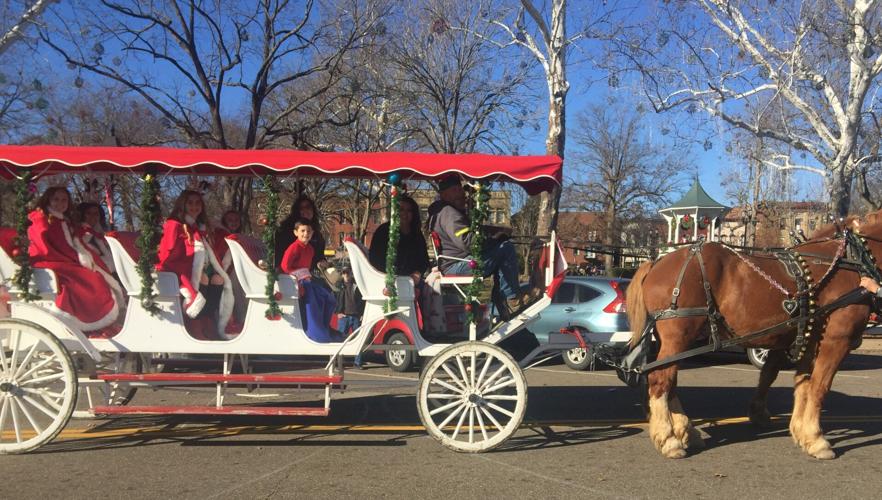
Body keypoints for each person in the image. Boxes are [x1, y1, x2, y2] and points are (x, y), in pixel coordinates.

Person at [427, 175, 536, 317]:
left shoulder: (444, 211)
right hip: (457, 265)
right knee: (506, 248)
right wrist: (495, 238)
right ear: (444, 194)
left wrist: (496, 232)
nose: (461, 194)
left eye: (460, 190)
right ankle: (510, 299)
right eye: (455, 190)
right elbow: (468, 242)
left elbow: (473, 231)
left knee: (501, 249)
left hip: (454, 263)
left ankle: (502, 296)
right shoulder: (449, 213)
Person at [28, 187, 124, 334]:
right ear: (48, 200)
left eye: (64, 200)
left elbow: (69, 242)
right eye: (56, 199)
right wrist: (78, 257)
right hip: (51, 261)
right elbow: (50, 246)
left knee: (95, 276)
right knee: (91, 279)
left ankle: (98, 320)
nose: (60, 203)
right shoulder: (43, 219)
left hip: (64, 260)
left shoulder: (62, 220)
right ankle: (87, 320)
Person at [156, 190, 237, 340]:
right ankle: (195, 325)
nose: (194, 206)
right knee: (203, 278)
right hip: (180, 269)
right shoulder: (175, 224)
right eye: (190, 203)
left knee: (219, 279)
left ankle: (208, 321)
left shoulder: (199, 227)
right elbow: (170, 253)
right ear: (183, 205)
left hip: (200, 267)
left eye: (198, 203)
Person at [281, 218, 338, 343]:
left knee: (329, 299)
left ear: (312, 233)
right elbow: (285, 266)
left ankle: (324, 328)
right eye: (302, 231)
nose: (305, 233)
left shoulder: (310, 249)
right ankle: (315, 333)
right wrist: (297, 281)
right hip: (298, 282)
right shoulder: (294, 247)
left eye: (308, 231)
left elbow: (307, 267)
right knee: (312, 302)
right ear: (296, 232)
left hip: (307, 281)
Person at [369, 195, 430, 282]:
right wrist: (390, 276)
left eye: (409, 210)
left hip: (412, 281)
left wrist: (418, 273)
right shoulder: (383, 230)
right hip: (387, 280)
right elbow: (375, 259)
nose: (405, 214)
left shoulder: (416, 233)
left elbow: (424, 260)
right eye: (401, 210)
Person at [275, 195, 327, 271]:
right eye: (301, 208)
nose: (305, 210)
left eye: (308, 207)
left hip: (307, 273)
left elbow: (319, 255)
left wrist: (322, 262)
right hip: (288, 274)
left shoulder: (317, 235)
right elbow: (281, 258)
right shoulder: (286, 230)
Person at [335, 267, 365, 366]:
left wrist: (362, 313)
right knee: (340, 340)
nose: (346, 275)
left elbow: (363, 299)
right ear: (342, 274)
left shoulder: (358, 284)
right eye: (344, 273)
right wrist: (338, 312)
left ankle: (357, 363)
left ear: (351, 273)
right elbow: (333, 298)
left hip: (356, 316)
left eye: (347, 272)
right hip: (344, 317)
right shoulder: (338, 286)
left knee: (358, 340)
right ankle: (338, 363)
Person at [75, 201, 115, 273]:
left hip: (112, 270)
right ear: (83, 215)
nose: (92, 216)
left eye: (96, 214)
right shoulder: (78, 232)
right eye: (88, 213)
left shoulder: (104, 233)